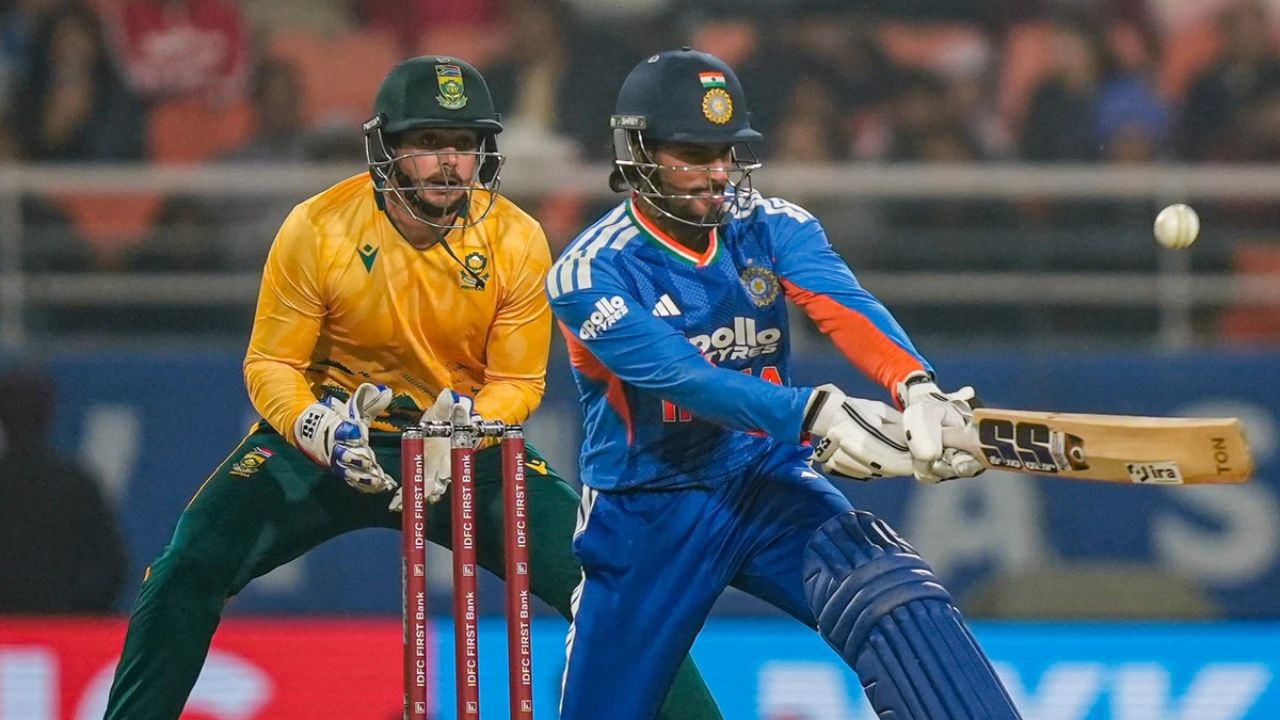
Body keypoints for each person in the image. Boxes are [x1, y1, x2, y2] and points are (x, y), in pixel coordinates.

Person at [103, 55, 723, 720]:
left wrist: (468, 426)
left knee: (615, 581)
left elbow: (518, 382)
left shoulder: (515, 239)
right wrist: (316, 427)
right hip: (335, 441)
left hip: (461, 446)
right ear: (388, 148)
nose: (450, 163)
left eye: (464, 143)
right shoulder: (319, 228)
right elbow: (270, 365)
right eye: (429, 141)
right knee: (188, 566)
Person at [547, 48, 1022, 720]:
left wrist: (916, 386)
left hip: (765, 481)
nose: (718, 173)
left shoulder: (770, 224)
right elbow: (684, 378)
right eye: (693, 154)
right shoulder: (590, 271)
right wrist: (817, 414)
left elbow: (842, 303)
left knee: (895, 596)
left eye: (725, 153)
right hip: (646, 511)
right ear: (638, 153)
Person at [0, 364, 128, 613]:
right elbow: (113, 567)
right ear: (49, 414)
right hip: (60, 625)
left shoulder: (78, 485)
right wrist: (78, 613)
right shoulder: (77, 485)